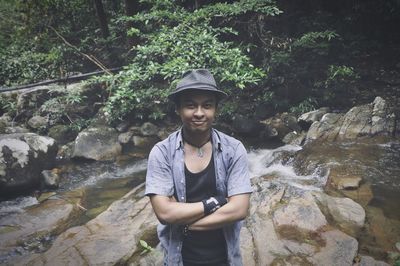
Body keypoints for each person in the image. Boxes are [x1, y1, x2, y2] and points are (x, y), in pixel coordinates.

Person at [145, 69, 252, 266]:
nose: (199, 113)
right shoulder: (161, 153)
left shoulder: (233, 150)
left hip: (225, 258)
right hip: (181, 259)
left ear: (215, 110)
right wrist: (216, 202)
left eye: (207, 106)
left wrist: (184, 224)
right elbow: (165, 213)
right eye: (190, 106)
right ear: (178, 109)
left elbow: (239, 209)